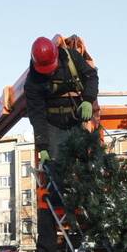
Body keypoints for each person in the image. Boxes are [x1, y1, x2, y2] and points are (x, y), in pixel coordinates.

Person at [25, 34, 99, 163]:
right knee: (57, 170)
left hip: (76, 121)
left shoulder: (71, 58)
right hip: (53, 126)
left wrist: (88, 100)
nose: (49, 72)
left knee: (85, 166)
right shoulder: (32, 82)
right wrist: (42, 147)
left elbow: (91, 76)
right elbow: (37, 115)